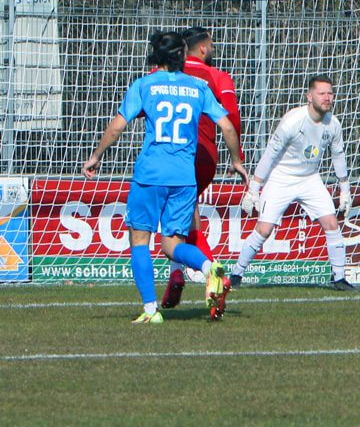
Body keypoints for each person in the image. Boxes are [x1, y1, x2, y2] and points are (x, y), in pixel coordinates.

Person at [82, 31, 247, 323]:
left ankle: (150, 310)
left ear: (156, 57)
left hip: (151, 175)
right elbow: (228, 128)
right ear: (181, 56)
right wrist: (236, 160)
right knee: (171, 245)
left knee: (139, 239)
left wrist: (96, 156)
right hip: (184, 177)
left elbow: (118, 126)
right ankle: (210, 268)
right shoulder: (198, 86)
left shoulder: (144, 85)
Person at [233, 74, 357, 291]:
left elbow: (338, 156)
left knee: (332, 224)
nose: (327, 98)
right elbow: (270, 154)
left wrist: (344, 191)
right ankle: (236, 274)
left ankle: (339, 278)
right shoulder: (293, 121)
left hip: (310, 178)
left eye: (330, 93)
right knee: (264, 229)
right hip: (282, 177)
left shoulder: (333, 124)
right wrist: (253, 189)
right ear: (309, 96)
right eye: (322, 93)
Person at [160, 26, 244, 310]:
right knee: (184, 216)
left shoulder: (165, 75)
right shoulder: (218, 76)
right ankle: (177, 275)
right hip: (207, 157)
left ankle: (213, 273)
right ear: (204, 48)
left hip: (176, 155)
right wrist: (237, 156)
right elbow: (231, 115)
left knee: (173, 220)